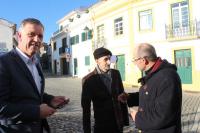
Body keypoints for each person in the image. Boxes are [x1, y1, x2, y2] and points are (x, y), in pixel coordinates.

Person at [0, 18, 69, 133]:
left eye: (40, 36)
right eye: (31, 34)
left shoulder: (36, 61)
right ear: (19, 36)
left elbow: (30, 91)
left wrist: (50, 99)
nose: (37, 39)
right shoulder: (3, 63)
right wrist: (36, 111)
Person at [118, 43, 182, 133]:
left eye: (135, 60)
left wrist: (137, 117)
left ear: (143, 60)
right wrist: (130, 98)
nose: (135, 63)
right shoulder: (154, 73)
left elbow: (163, 115)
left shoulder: (167, 77)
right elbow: (152, 94)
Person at [81, 47, 129, 133]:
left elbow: (122, 98)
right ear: (97, 61)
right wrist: (86, 130)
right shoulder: (88, 80)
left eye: (110, 59)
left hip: (118, 124)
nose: (109, 62)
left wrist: (125, 120)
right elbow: (86, 110)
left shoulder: (116, 74)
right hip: (101, 125)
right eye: (105, 59)